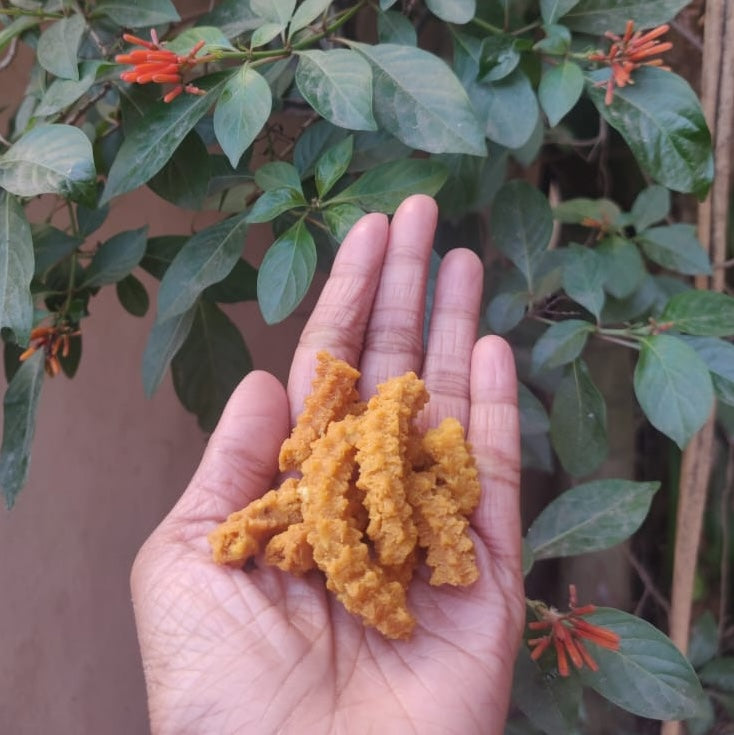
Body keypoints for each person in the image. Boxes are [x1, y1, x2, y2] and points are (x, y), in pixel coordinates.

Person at [131, 195, 524, 734]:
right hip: (350, 513)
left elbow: (385, 518)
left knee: (389, 513)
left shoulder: (391, 459)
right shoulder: (332, 476)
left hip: (375, 495)